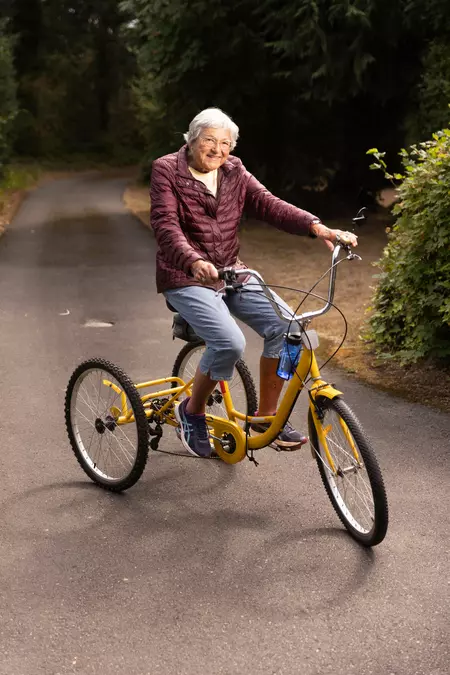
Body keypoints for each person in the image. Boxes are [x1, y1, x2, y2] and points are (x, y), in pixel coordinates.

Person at [150, 108, 358, 458]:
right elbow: (165, 224)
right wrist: (194, 261)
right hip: (185, 275)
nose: (217, 150)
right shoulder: (166, 169)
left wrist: (318, 227)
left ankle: (266, 419)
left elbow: (269, 204)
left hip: (231, 270)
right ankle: (192, 411)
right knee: (229, 344)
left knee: (290, 328)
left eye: (225, 143)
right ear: (191, 139)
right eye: (209, 141)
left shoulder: (234, 169)